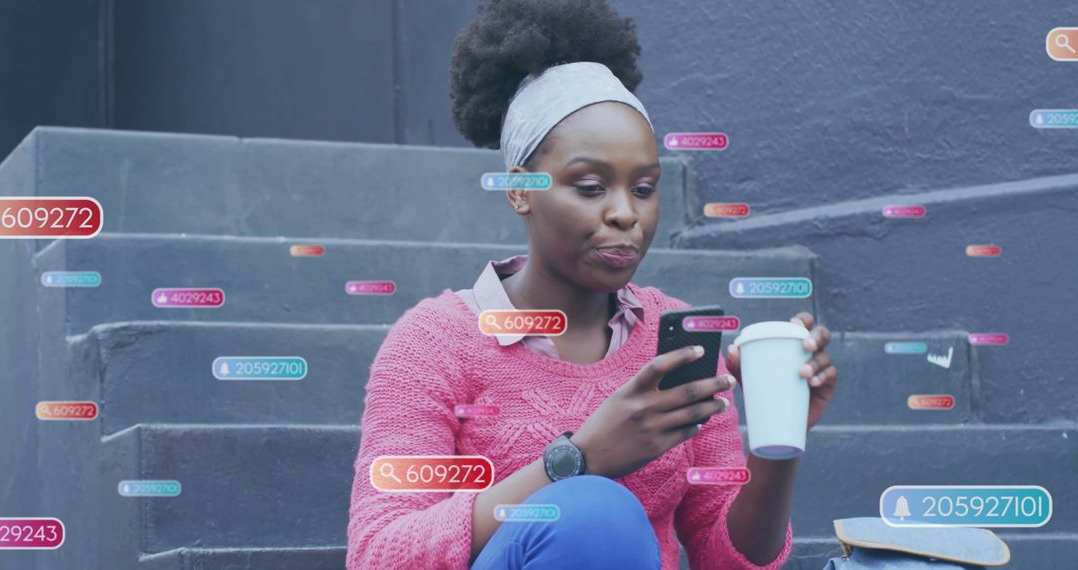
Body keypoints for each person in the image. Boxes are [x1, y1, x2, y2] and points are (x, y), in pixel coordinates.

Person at [345, 1, 839, 568]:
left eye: (645, 188)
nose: (626, 214)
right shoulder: (435, 344)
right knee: (590, 513)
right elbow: (379, 554)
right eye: (589, 186)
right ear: (520, 190)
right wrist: (578, 459)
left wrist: (779, 443)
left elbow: (728, 559)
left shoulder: (674, 339)